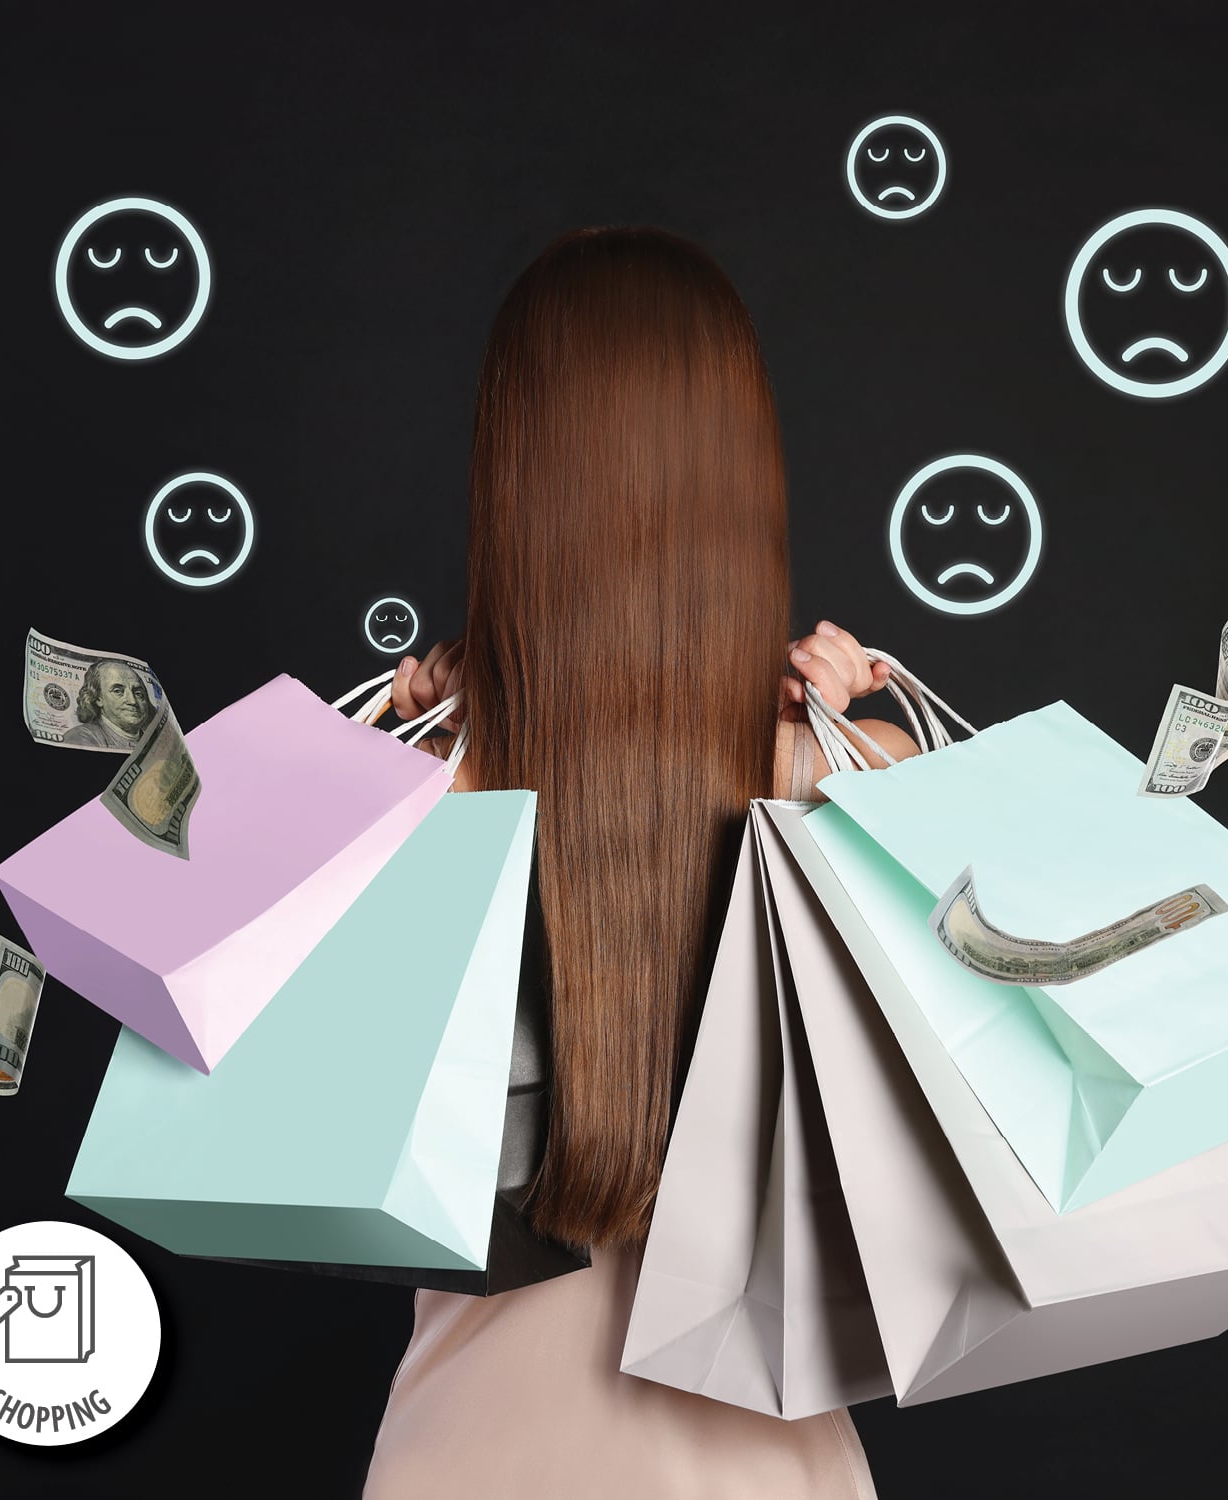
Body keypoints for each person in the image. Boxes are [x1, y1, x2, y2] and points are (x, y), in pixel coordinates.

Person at [363, 226, 918, 1499]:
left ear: (514, 478)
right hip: (767, 1472)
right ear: (741, 477)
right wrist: (869, 746)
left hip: (458, 1459)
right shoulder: (853, 781)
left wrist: (425, 741)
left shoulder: (415, 783)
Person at [61, 660, 155, 749]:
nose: (132, 701)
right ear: (98, 698)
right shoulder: (82, 737)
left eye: (138, 693)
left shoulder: (152, 741)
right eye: (118, 691)